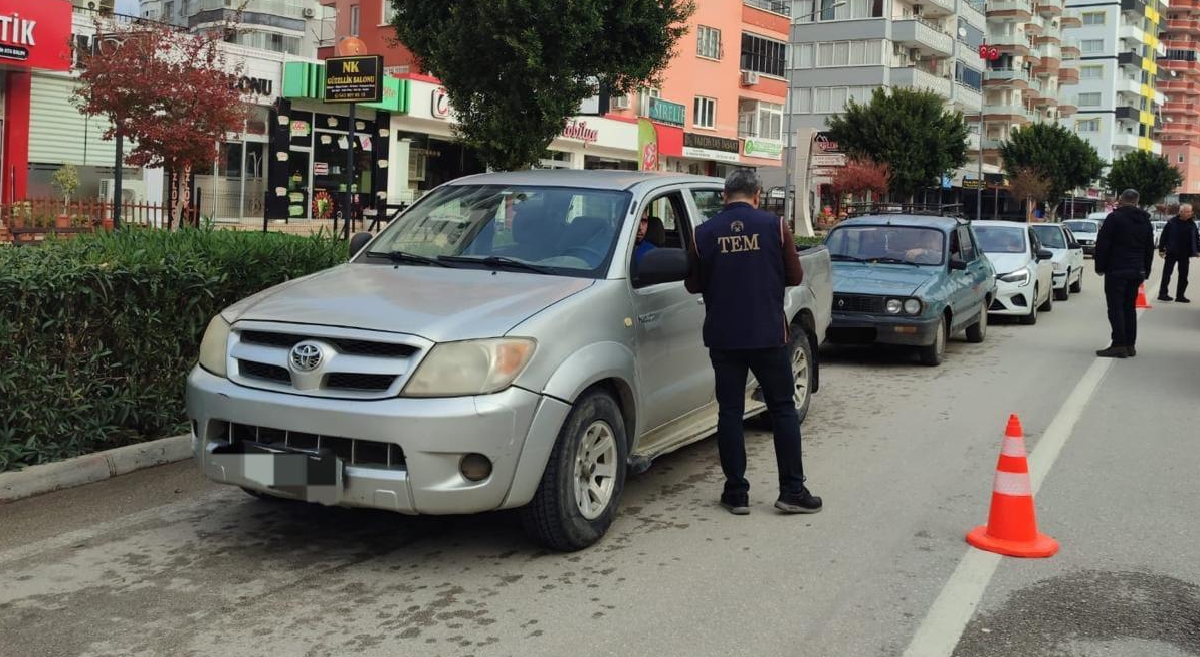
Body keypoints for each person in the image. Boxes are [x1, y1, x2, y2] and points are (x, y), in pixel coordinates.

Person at [684, 168, 821, 516]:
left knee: (730, 412)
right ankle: (791, 490)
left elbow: (692, 285)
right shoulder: (775, 227)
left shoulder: (703, 233)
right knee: (782, 409)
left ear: (725, 196)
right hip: (768, 335)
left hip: (724, 336)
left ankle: (736, 493)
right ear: (758, 195)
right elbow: (795, 275)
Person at [1094, 188, 1154, 358]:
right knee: (1129, 307)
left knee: (1115, 307)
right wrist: (1146, 270)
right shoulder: (1145, 221)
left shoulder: (1114, 218)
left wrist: (1100, 266)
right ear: (1137, 201)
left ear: (1121, 199)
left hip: (1117, 269)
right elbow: (1149, 248)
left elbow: (1103, 243)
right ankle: (1130, 344)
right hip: (1136, 270)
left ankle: (1118, 343)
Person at [1157, 203, 1199, 303]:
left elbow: (1197, 238)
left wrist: (1197, 250)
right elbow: (1164, 236)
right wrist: (1161, 249)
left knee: (1184, 275)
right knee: (1167, 274)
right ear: (1181, 212)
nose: (1190, 213)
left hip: (1185, 254)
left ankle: (1180, 295)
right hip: (1172, 252)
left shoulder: (1192, 224)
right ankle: (1163, 294)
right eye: (1187, 211)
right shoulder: (1172, 222)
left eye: (1190, 211)